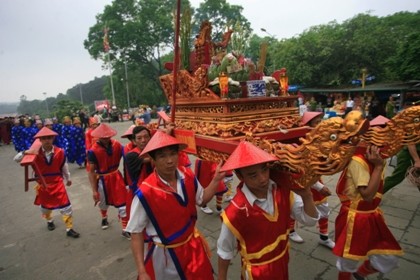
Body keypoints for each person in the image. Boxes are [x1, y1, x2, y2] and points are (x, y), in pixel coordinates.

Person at [126, 131, 225, 279]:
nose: (170, 160)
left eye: (173, 154)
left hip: (193, 246)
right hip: (166, 256)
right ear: (152, 159)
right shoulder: (146, 192)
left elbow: (202, 199)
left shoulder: (188, 175)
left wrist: (216, 179)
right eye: (162, 156)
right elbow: (136, 233)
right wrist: (142, 271)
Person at [217, 141, 320, 279]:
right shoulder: (236, 211)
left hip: (282, 261)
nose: (263, 178)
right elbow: (224, 251)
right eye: (253, 175)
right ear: (240, 176)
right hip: (257, 272)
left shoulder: (283, 191)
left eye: (265, 170)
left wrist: (307, 196)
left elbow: (308, 221)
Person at [333, 140, 403, 279]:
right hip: (354, 219)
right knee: (348, 259)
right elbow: (367, 196)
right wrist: (378, 167)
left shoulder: (378, 158)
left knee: (388, 256)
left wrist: (378, 164)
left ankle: (360, 274)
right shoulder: (359, 161)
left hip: (372, 216)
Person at [13, 127, 80, 238]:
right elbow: (16, 159)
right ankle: (49, 220)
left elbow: (64, 166)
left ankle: (69, 228)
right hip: (43, 184)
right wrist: (25, 152)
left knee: (66, 206)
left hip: (57, 182)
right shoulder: (34, 153)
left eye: (49, 138)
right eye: (44, 138)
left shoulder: (60, 152)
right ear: (40, 140)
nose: (47, 140)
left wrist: (68, 179)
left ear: (53, 138)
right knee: (45, 207)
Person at [288, 112, 335, 249]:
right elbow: (300, 171)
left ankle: (324, 236)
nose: (319, 125)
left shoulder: (320, 141)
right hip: (303, 181)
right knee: (293, 208)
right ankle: (291, 231)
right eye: (316, 123)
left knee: (324, 208)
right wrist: (319, 187)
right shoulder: (300, 144)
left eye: (321, 121)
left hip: (316, 178)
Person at [87, 123, 129, 238]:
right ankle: (104, 217)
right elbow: (91, 171)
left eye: (107, 136)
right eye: (103, 137)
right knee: (103, 202)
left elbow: (128, 156)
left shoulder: (117, 145)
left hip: (116, 177)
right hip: (102, 179)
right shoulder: (93, 151)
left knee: (123, 202)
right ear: (98, 137)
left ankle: (125, 229)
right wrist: (94, 190)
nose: (105, 139)